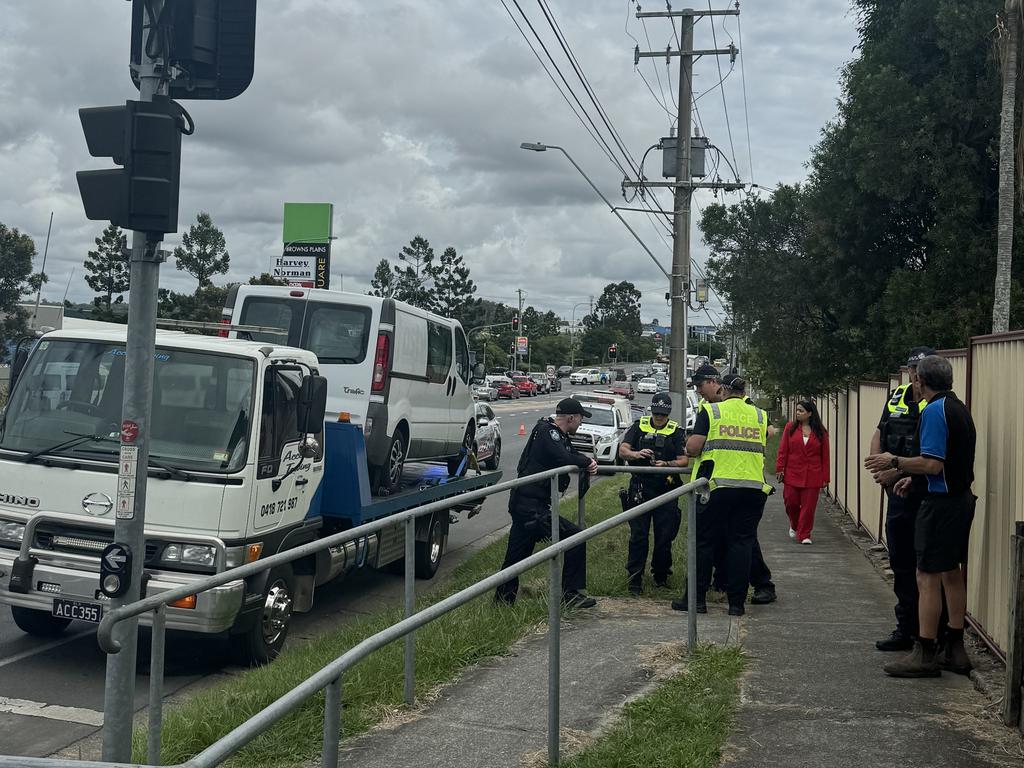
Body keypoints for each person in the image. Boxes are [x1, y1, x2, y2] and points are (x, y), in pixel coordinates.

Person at [865, 355, 976, 677]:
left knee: (925, 576)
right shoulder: (958, 407)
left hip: (940, 504)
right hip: (960, 499)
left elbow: (932, 463)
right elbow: (949, 460)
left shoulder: (934, 411)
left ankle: (925, 651)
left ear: (919, 381)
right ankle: (955, 647)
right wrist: (914, 478)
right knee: (951, 574)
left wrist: (895, 461)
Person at [672, 373, 773, 616]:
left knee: (705, 543)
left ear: (723, 391)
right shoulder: (760, 415)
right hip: (753, 489)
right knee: (742, 544)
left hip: (718, 488)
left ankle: (696, 600)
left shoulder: (712, 412)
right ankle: (736, 605)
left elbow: (693, 448)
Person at [494, 398, 599, 608]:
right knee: (575, 538)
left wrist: (585, 460)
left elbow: (570, 452)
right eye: (580, 419)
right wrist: (587, 462)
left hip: (529, 505)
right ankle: (570, 595)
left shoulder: (557, 434)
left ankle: (502, 603)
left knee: (516, 559)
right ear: (571, 417)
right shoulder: (547, 431)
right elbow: (561, 456)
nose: (581, 423)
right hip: (531, 507)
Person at [867, 346, 933, 652]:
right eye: (911, 369)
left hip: (921, 491)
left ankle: (931, 633)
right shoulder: (898, 395)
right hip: (895, 491)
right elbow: (881, 430)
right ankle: (905, 627)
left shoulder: (935, 402)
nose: (914, 374)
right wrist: (875, 461)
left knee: (926, 567)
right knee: (901, 563)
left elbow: (932, 455)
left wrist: (894, 470)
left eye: (919, 370)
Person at [618, 391, 689, 594]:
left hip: (666, 487)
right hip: (641, 487)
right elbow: (623, 450)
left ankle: (661, 575)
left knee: (664, 536)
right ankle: (634, 579)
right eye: (656, 413)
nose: (658, 418)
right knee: (638, 535)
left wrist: (666, 463)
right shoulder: (640, 426)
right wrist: (636, 454)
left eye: (662, 415)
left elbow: (684, 460)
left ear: (668, 414)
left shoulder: (676, 431)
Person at [775, 400, 830, 545]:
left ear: (810, 413)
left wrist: (826, 477)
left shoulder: (821, 432)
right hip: (792, 473)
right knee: (790, 502)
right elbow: (783, 450)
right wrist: (780, 468)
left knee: (809, 507)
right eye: (797, 410)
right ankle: (794, 524)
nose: (798, 413)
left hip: (813, 474)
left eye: (801, 411)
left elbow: (825, 456)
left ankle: (805, 534)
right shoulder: (790, 428)